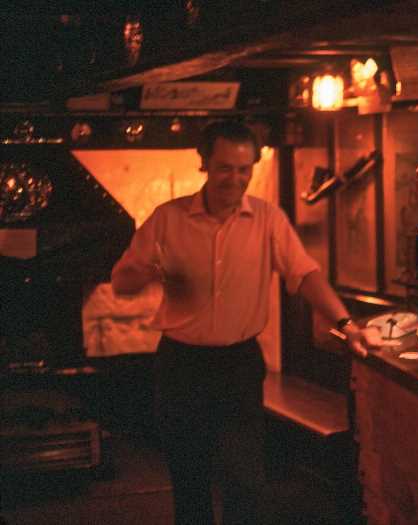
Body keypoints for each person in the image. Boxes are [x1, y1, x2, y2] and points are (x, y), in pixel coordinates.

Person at [111, 120, 367, 525]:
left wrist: (346, 322)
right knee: (190, 481)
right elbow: (121, 282)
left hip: (238, 365)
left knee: (245, 480)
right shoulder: (167, 218)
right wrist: (148, 271)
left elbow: (304, 274)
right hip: (181, 365)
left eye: (244, 169)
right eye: (225, 168)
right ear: (205, 164)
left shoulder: (268, 220)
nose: (235, 178)